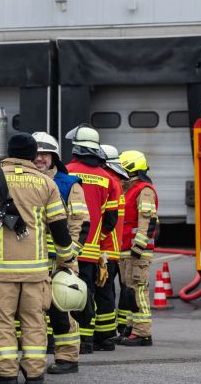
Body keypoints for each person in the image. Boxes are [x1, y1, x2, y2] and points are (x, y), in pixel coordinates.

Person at [0, 133, 74, 384]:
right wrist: (67, 259)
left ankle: (5, 372)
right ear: (33, 155)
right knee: (35, 321)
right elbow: (60, 228)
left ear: (7, 153)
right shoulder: (46, 183)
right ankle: (34, 373)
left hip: (1, 271)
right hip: (37, 271)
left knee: (2, 321)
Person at [30, 132, 89, 375]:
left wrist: (69, 256)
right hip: (31, 261)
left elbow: (81, 224)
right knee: (31, 311)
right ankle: (34, 357)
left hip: (59, 260)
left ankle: (67, 359)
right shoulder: (24, 182)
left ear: (54, 156)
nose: (40, 159)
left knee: (61, 311)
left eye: (45, 154)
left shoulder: (68, 184)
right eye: (36, 154)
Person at [64, 124, 121, 355]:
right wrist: (97, 239)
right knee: (88, 294)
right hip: (91, 251)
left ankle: (69, 339)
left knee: (63, 293)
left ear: (77, 148)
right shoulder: (108, 179)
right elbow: (111, 220)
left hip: (65, 248)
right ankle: (88, 341)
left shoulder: (65, 172)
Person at [116, 150, 158, 347]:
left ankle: (143, 333)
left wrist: (138, 247)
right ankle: (131, 329)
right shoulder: (128, 189)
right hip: (126, 250)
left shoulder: (144, 190)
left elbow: (148, 221)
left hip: (136, 251)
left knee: (138, 291)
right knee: (130, 291)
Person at [91, 145, 127, 351]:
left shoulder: (109, 181)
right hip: (112, 249)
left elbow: (107, 219)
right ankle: (107, 334)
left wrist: (96, 240)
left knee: (102, 293)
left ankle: (103, 337)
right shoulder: (117, 182)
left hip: (103, 248)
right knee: (107, 293)